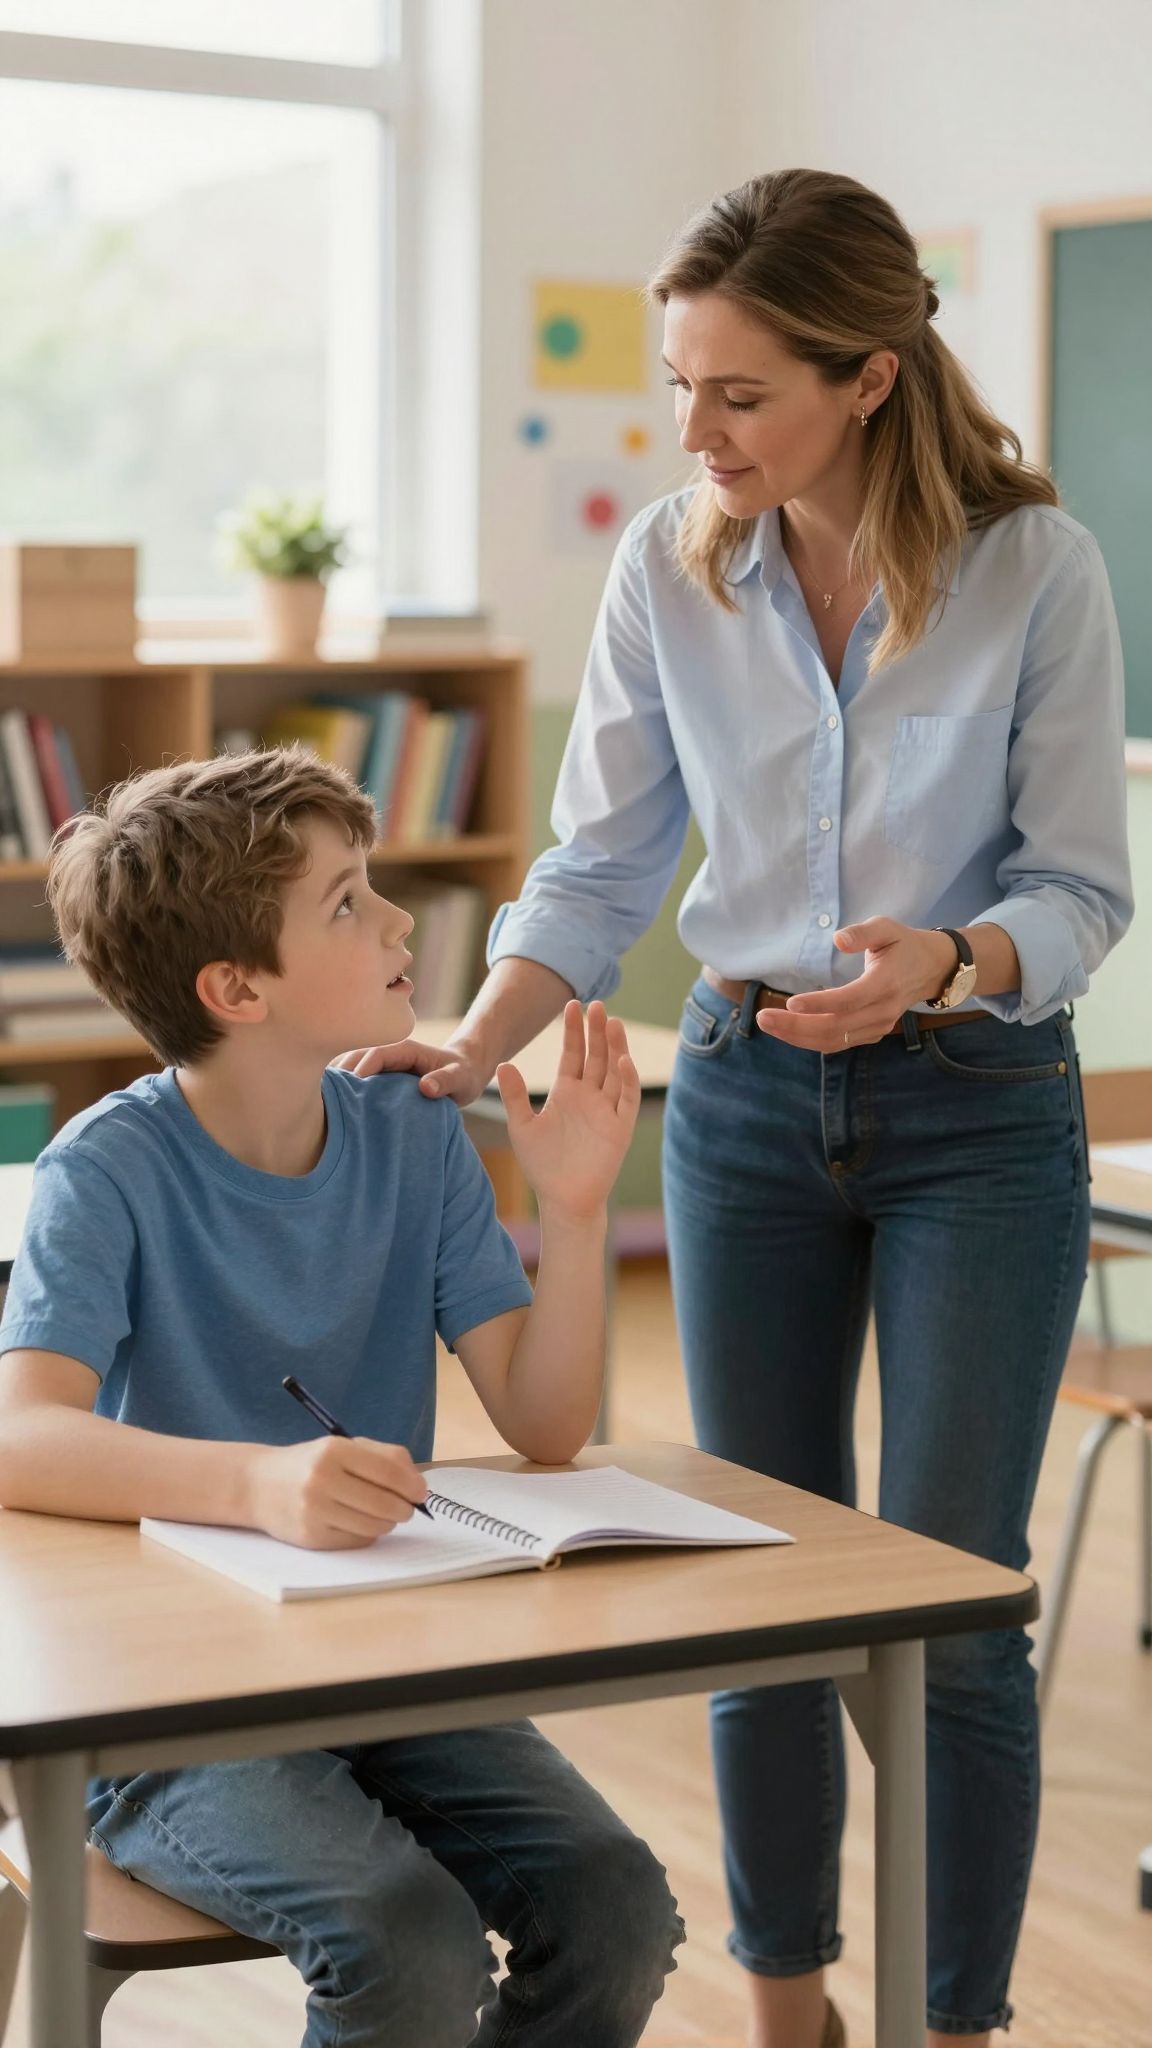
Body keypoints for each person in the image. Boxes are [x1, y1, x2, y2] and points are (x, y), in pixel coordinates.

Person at [339, 170, 1134, 2047]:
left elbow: (1083, 892)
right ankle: (791, 2007)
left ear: (869, 376)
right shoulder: (673, 564)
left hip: (976, 1106)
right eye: (678, 388)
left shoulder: (1039, 568)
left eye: (737, 394)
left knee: (948, 1609)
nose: (692, 435)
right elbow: (599, 865)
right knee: (753, 1587)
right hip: (747, 1104)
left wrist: (940, 965)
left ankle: (958, 2024)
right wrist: (474, 1040)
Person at [0, 746, 685, 2048]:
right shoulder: (109, 1169)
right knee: (406, 1941)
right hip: (168, 1704)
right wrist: (259, 1484)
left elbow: (543, 1427)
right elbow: (19, 1436)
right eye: (348, 902)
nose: (393, 920)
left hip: (384, 1666)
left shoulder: (414, 1128)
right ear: (235, 987)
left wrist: (578, 1211)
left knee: (614, 1909)